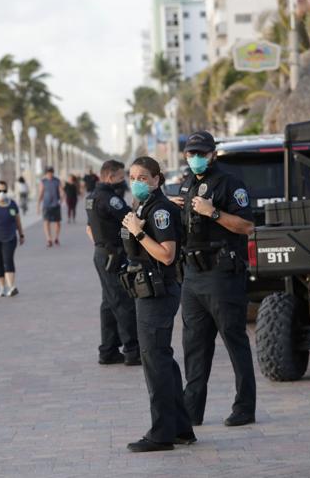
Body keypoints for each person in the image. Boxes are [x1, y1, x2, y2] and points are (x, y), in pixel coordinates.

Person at [173, 131, 256, 427]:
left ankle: (244, 407)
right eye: (191, 153)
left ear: (212, 154)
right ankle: (191, 411)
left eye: (201, 153)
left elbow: (246, 225)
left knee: (234, 341)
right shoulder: (189, 185)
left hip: (222, 274)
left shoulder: (230, 184)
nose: (196, 158)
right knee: (194, 347)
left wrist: (214, 212)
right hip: (193, 277)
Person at [121, 157, 195, 452]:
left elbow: (166, 254)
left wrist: (138, 231)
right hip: (148, 291)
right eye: (133, 176)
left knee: (155, 362)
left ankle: (161, 433)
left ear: (156, 180)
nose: (137, 181)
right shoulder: (143, 207)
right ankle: (180, 427)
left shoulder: (160, 210)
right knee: (162, 359)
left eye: (143, 177)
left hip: (158, 291)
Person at [85, 160, 140, 366]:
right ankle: (132, 350)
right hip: (113, 256)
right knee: (123, 302)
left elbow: (90, 228)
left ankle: (108, 350)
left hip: (102, 254)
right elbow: (129, 219)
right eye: (120, 177)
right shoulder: (110, 199)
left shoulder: (91, 197)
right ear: (109, 177)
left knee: (109, 303)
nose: (123, 181)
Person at [37, 167, 64, 247]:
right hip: (46, 205)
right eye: (48, 173)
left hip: (56, 204)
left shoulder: (57, 181)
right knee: (46, 222)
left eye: (51, 172)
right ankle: (49, 239)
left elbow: (61, 191)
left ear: (53, 172)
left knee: (57, 223)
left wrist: (62, 197)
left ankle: (56, 238)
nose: (50, 174)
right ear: (46, 173)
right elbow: (41, 193)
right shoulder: (43, 181)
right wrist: (38, 205)